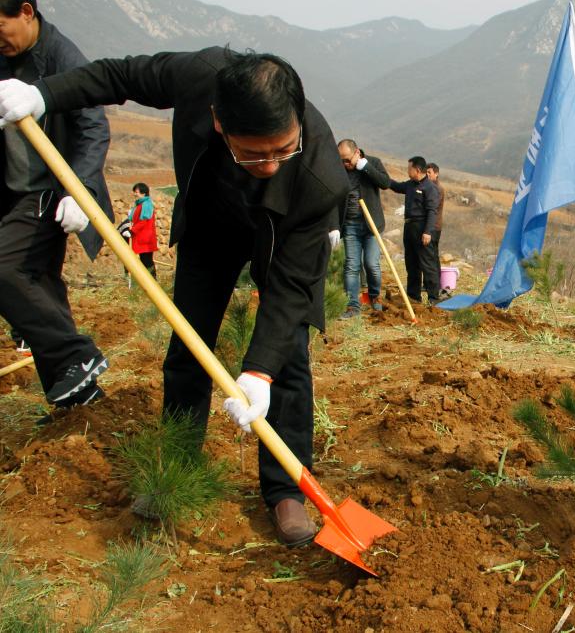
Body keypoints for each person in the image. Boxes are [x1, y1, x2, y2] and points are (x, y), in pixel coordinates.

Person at [0, 47, 348, 547]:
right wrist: (44, 94)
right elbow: (118, 76)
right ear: (218, 122)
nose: (270, 164)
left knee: (287, 355)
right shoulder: (198, 76)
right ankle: (178, 467)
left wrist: (259, 371)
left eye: (282, 149)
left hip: (283, 233)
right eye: (253, 152)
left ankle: (287, 488)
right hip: (211, 226)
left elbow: (292, 289)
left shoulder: (318, 177)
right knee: (189, 347)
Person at [0, 0, 113, 421]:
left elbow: (93, 127)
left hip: (52, 192)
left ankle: (75, 354)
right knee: (40, 287)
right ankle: (76, 398)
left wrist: (80, 191)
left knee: (4, 269)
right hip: (13, 192)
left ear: (26, 12)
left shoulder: (63, 57)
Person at [335, 139, 390, 318]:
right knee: (352, 265)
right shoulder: (339, 169)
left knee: (371, 264)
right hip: (350, 224)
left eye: (348, 160)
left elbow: (385, 182)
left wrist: (364, 167)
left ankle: (375, 297)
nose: (345, 164)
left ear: (357, 152)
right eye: (341, 160)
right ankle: (353, 306)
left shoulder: (372, 163)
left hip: (371, 224)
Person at [389, 155, 440, 304]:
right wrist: (382, 178)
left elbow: (432, 211)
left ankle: (433, 298)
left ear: (417, 170)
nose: (407, 171)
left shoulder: (430, 188)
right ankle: (413, 296)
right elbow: (396, 186)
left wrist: (427, 232)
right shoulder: (411, 184)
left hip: (422, 228)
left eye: (409, 168)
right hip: (409, 227)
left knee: (427, 264)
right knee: (411, 263)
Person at [128, 182, 157, 277]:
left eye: (136, 192)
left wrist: (132, 231)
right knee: (144, 261)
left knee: (147, 261)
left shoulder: (146, 204)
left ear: (143, 193)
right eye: (134, 192)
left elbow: (144, 221)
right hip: (141, 237)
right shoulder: (140, 205)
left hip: (146, 238)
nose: (135, 194)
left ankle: (153, 282)